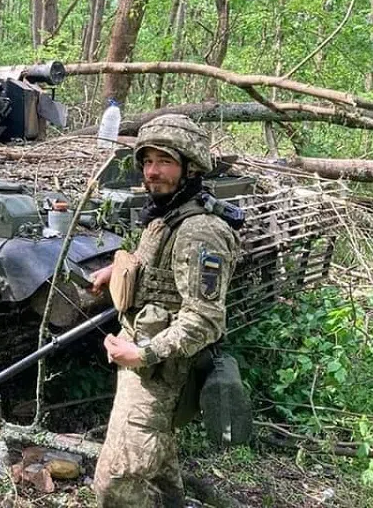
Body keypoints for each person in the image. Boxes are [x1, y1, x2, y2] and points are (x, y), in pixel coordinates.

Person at [91, 114, 241, 507]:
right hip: (141, 358)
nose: (152, 172)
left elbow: (205, 318)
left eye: (165, 162)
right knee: (155, 466)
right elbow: (156, 264)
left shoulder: (199, 231)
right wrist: (117, 271)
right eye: (147, 161)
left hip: (160, 370)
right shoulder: (167, 213)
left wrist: (142, 353)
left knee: (116, 482)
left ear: (189, 167)